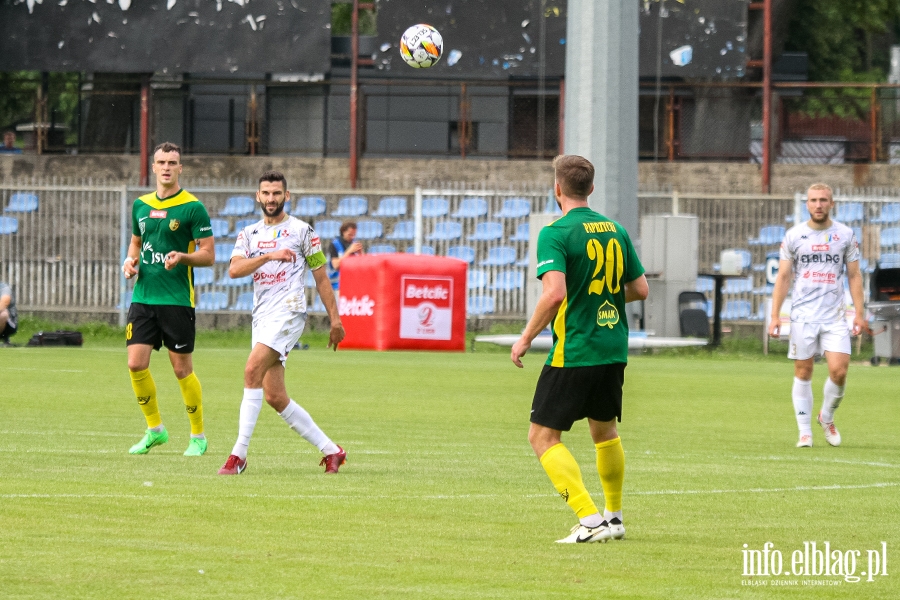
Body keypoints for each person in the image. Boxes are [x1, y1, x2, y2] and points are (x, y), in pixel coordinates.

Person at [511, 155, 649, 544]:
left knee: (542, 437)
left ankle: (590, 521)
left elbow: (554, 294)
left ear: (557, 188)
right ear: (591, 188)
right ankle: (615, 517)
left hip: (575, 349)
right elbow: (640, 290)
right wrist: (600, 297)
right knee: (604, 431)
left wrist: (524, 338)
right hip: (612, 346)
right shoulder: (615, 229)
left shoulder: (555, 232)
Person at [218, 171, 347, 476]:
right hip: (262, 317)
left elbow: (320, 277)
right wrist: (269, 256)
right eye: (266, 193)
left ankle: (239, 455)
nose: (271, 198)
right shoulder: (248, 234)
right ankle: (332, 451)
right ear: (258, 197)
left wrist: (335, 319)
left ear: (287, 196)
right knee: (275, 396)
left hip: (289, 313)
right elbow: (234, 270)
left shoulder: (303, 232)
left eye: (277, 193)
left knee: (251, 370)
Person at [122, 142, 215, 456]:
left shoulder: (192, 207)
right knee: (136, 363)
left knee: (181, 370)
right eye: (160, 161)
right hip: (144, 296)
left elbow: (209, 255)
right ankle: (155, 430)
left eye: (171, 162)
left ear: (180, 168)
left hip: (177, 299)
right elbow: (136, 243)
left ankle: (198, 437)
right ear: (153, 166)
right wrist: (130, 261)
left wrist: (183, 257)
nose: (166, 167)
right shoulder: (140, 205)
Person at [768, 183, 867, 449]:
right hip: (802, 316)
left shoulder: (845, 235)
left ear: (831, 203)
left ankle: (826, 417)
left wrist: (859, 312)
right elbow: (784, 276)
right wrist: (775, 315)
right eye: (813, 200)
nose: (818, 204)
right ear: (807, 204)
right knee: (803, 371)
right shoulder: (794, 236)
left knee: (839, 371)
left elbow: (855, 275)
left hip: (835, 315)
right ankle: (804, 433)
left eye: (823, 200)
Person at [327, 220, 363, 290]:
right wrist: (349, 251)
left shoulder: (354, 244)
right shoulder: (334, 244)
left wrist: (360, 253)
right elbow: (336, 265)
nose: (352, 237)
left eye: (354, 235)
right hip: (337, 284)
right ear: (343, 232)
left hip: (352, 283)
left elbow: (363, 264)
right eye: (350, 235)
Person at [0, 281, 18, 346]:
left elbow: (4, 302)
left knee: (3, 314)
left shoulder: (4, 288)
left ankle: (5, 338)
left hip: (9, 324)